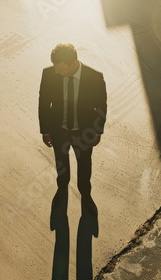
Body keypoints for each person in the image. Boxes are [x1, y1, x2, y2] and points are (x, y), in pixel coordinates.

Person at [38, 43, 107, 216]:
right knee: (61, 161)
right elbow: (44, 104)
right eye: (55, 68)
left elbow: (101, 107)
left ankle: (86, 194)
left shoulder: (94, 77)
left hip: (83, 132)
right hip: (58, 130)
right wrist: (45, 131)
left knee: (84, 164)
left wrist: (97, 131)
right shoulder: (49, 74)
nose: (56, 72)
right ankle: (62, 188)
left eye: (60, 69)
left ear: (73, 64)